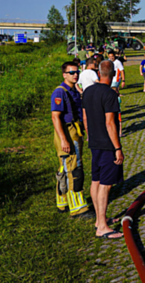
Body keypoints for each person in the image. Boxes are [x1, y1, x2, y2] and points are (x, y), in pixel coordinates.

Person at [82, 60, 124, 238]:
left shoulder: (88, 91)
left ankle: (100, 219)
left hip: (94, 142)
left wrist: (90, 135)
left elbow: (84, 117)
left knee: (96, 181)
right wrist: (117, 147)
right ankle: (102, 228)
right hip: (107, 145)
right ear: (114, 74)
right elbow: (110, 123)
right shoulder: (110, 94)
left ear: (99, 73)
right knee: (106, 185)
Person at [51, 61, 91, 217]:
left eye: (77, 72)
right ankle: (78, 208)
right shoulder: (60, 92)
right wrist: (63, 140)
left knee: (64, 167)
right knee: (74, 168)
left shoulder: (74, 90)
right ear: (64, 74)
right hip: (67, 131)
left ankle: (63, 202)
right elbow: (55, 117)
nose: (75, 75)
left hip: (75, 130)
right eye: (72, 72)